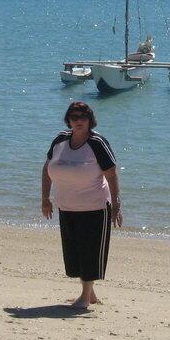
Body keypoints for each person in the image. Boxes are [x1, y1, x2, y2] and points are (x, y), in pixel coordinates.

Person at [42, 101, 122, 308]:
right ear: (68, 120)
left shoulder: (97, 143)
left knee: (90, 252)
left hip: (94, 208)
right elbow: (46, 168)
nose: (79, 121)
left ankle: (85, 298)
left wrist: (116, 204)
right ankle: (90, 293)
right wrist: (45, 199)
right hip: (67, 207)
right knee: (75, 253)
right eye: (75, 117)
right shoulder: (60, 140)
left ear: (90, 120)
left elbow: (112, 175)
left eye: (83, 117)